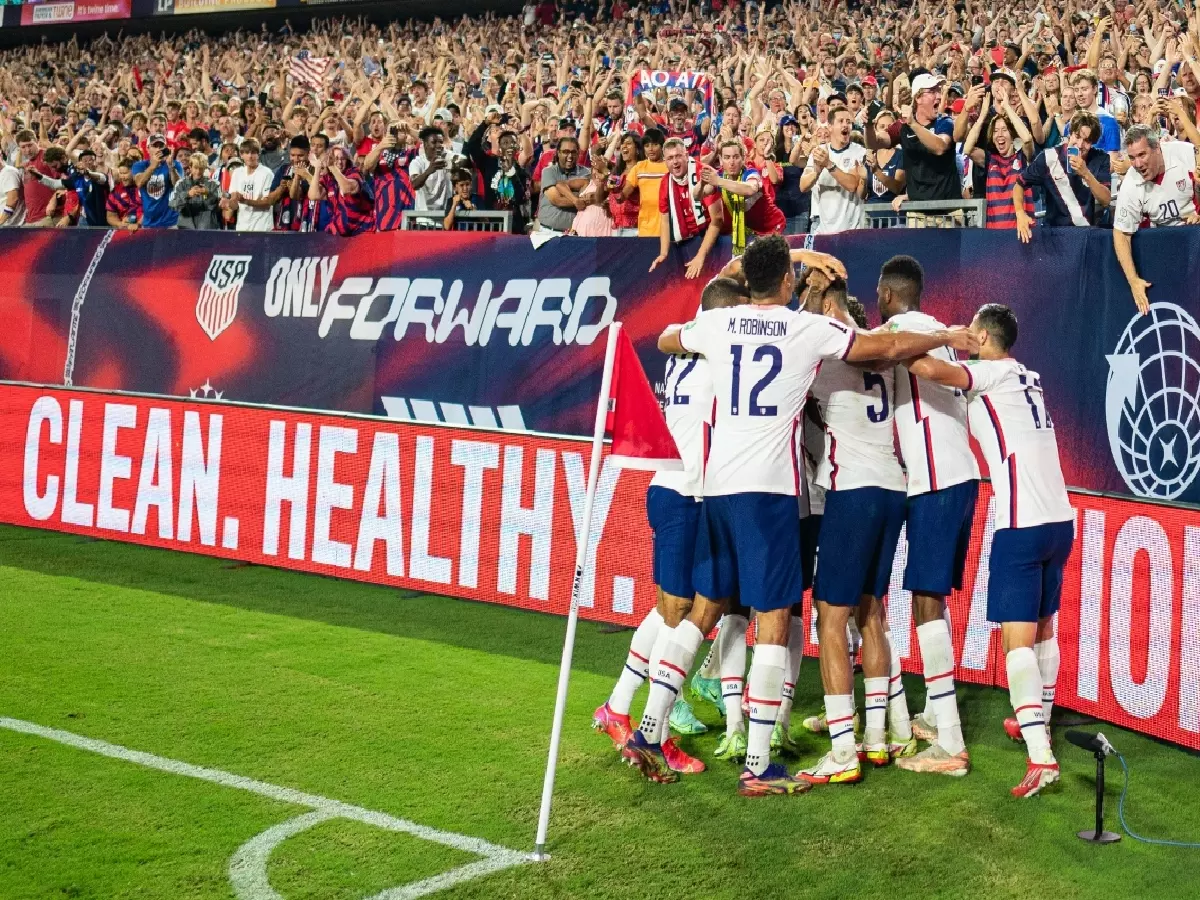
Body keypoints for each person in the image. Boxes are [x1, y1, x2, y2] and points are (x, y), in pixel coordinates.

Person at [631, 236, 979, 795]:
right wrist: (945, 335)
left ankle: (649, 729)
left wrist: (788, 261)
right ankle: (760, 763)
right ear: (788, 283)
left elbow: (669, 337)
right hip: (771, 493)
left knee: (705, 608)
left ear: (747, 281)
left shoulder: (717, 323)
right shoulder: (805, 330)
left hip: (715, 488)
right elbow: (883, 347)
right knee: (775, 617)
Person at [901, 304, 1073, 799]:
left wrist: (903, 343)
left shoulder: (990, 374)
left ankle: (1040, 758)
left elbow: (928, 368)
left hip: (1021, 523)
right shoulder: (1028, 376)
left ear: (981, 337)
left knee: (1016, 643)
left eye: (970, 333)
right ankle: (1037, 718)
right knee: (1044, 626)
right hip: (1060, 520)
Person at [594, 275, 752, 779]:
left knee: (674, 611)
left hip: (678, 491)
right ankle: (653, 731)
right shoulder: (714, 357)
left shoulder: (685, 348)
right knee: (685, 612)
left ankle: (619, 706)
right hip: (686, 494)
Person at [797, 277, 916, 786]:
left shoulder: (825, 359)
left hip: (853, 491)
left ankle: (843, 750)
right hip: (893, 487)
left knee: (830, 618)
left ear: (829, 309)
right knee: (872, 614)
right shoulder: (883, 354)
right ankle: (877, 738)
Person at [878, 254, 979, 777]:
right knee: (932, 599)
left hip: (936, 480)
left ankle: (951, 744)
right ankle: (937, 716)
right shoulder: (939, 332)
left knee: (923, 603)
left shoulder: (900, 331)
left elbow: (864, 348)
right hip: (959, 476)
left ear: (889, 295)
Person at [1112, 125, 1200, 314]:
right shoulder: (1131, 184)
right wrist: (1133, 280)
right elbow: (1121, 234)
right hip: (1166, 248)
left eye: (1142, 155)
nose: (1137, 164)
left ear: (1157, 148)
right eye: (1132, 158)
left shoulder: (1184, 153)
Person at [866, 73, 960, 213]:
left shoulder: (945, 122)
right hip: (918, 212)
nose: (939, 96)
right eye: (932, 91)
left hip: (948, 211)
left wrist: (913, 124)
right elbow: (875, 143)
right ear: (918, 98)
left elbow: (940, 147)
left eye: (939, 91)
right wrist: (868, 125)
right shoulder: (902, 127)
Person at [1014, 111, 1111, 240]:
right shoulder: (1049, 157)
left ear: (1093, 142)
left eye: (1087, 141)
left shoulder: (1101, 159)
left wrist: (1086, 173)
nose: (1080, 144)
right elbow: (1019, 184)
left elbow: (1106, 200)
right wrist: (1020, 213)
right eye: (1077, 136)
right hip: (1054, 236)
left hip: (1087, 235)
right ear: (1070, 133)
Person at [650, 137, 724, 279]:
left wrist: (700, 256)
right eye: (670, 158)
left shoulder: (704, 173)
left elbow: (717, 220)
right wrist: (663, 253)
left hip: (710, 240)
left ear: (686, 155)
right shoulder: (665, 182)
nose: (675, 162)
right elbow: (665, 220)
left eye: (678, 156)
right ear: (665, 161)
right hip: (684, 242)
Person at [701, 139, 786, 249]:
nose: (731, 162)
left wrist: (718, 181)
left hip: (772, 226)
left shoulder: (751, 172)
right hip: (750, 231)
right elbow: (698, 195)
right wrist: (702, 182)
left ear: (743, 158)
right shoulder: (720, 176)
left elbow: (750, 189)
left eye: (736, 157)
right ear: (721, 160)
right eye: (727, 157)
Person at [800, 106, 867, 234]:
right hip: (825, 230)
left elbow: (852, 185)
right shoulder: (819, 152)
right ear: (830, 127)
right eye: (841, 121)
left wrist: (828, 164)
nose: (845, 125)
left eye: (848, 122)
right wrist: (817, 172)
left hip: (852, 230)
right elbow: (803, 186)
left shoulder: (859, 151)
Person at [364, 131, 417, 232]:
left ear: (406, 135)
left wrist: (409, 129)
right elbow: (367, 166)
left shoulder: (410, 153)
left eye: (399, 131)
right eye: (392, 131)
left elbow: (426, 141)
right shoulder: (379, 154)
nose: (395, 134)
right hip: (384, 215)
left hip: (406, 214)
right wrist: (381, 146)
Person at [537, 136, 591, 234]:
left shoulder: (586, 173)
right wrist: (579, 200)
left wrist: (583, 200)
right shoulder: (549, 172)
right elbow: (557, 199)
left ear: (578, 153)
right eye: (566, 152)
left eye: (573, 152)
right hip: (548, 232)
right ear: (558, 153)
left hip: (575, 233)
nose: (570, 156)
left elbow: (592, 197)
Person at [223, 139, 276, 232]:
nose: (250, 156)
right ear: (241, 155)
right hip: (242, 227)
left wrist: (245, 200)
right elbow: (234, 205)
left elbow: (268, 202)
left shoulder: (267, 173)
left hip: (262, 227)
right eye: (247, 153)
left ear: (258, 154)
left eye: (253, 153)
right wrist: (228, 203)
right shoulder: (237, 173)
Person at [623, 127, 667, 237]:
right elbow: (625, 192)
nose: (650, 149)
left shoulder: (670, 167)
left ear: (662, 146)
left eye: (655, 145)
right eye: (647, 146)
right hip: (646, 229)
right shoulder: (639, 167)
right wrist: (618, 193)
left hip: (668, 227)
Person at [131, 136, 182, 228]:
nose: (158, 149)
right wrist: (152, 167)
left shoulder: (175, 164)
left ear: (165, 147)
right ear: (147, 149)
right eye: (155, 146)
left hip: (170, 221)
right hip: (149, 221)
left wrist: (171, 167)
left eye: (161, 146)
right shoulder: (139, 165)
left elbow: (178, 186)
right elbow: (139, 182)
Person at [170, 152, 222, 230]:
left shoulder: (214, 184)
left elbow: (218, 208)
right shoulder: (180, 184)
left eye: (201, 168)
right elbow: (173, 205)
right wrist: (187, 194)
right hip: (185, 230)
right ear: (190, 167)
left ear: (205, 168)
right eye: (196, 168)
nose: (198, 172)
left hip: (208, 230)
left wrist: (207, 194)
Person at [409, 126, 453, 217]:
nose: (439, 145)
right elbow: (414, 184)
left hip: (445, 218)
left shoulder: (448, 158)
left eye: (441, 142)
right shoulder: (417, 162)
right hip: (423, 219)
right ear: (425, 144)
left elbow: (463, 160)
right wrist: (429, 170)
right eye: (434, 142)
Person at [106, 161, 142, 231]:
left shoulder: (143, 188)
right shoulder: (115, 192)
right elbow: (110, 216)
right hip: (124, 232)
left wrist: (138, 224)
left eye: (125, 173)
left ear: (133, 172)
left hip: (144, 229)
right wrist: (119, 223)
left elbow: (149, 211)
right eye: (121, 173)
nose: (122, 177)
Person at [0, 155, 26, 226]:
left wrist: (1, 221)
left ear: (0, 156)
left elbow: (13, 200)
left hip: (11, 225)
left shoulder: (9, 172)